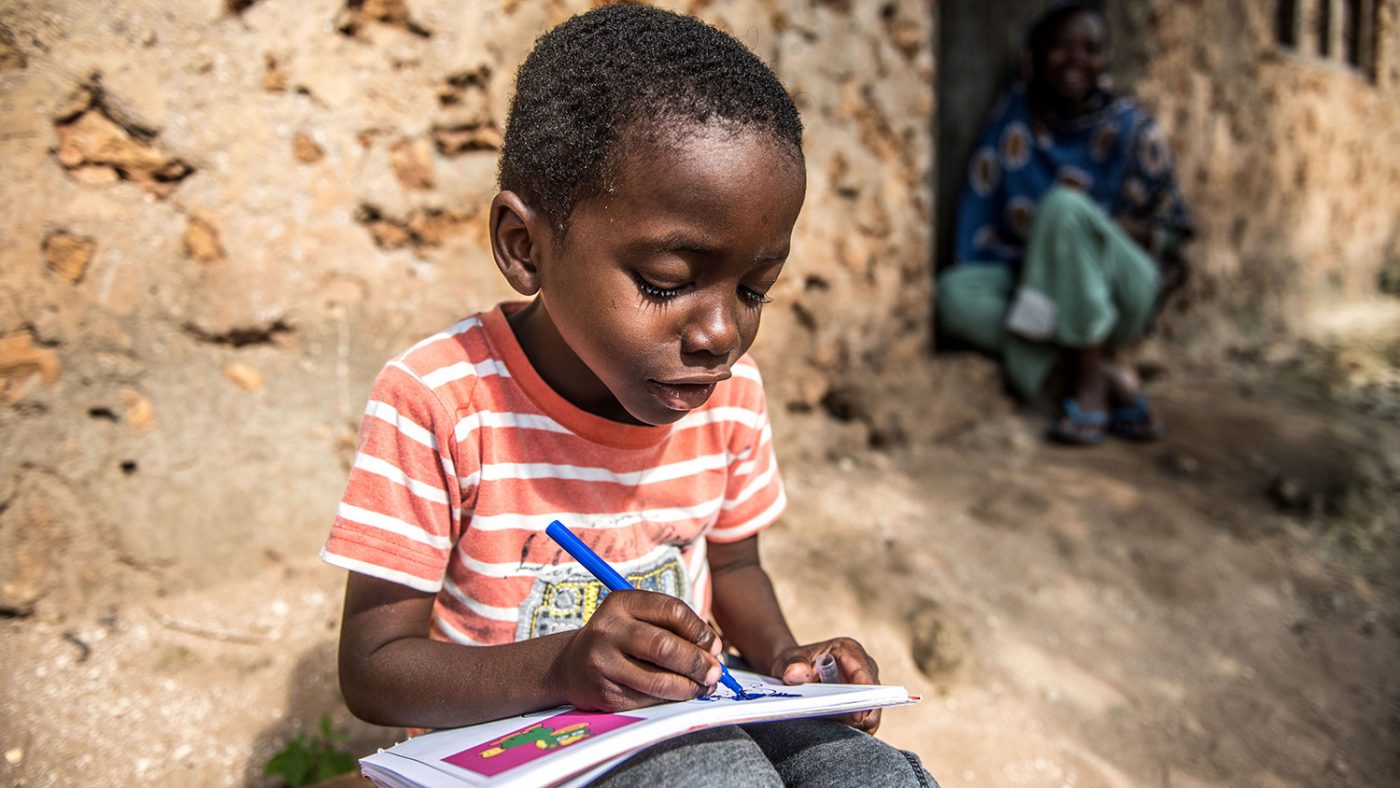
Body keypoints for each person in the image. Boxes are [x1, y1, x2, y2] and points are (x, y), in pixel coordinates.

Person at [321, 6, 936, 786]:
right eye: (666, 282)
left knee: (867, 774)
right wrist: (564, 668)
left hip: (687, 704)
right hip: (512, 741)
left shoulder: (730, 396)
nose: (719, 332)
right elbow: (373, 669)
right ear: (525, 247)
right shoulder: (440, 399)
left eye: (755, 289)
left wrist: (788, 661)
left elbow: (736, 568)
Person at [937, 2, 1194, 445]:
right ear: (1035, 57)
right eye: (1061, 47)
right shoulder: (1014, 123)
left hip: (1121, 294)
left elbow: (1172, 232)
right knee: (952, 296)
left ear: (1104, 60)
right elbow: (983, 222)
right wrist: (1049, 260)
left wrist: (1099, 231)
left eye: (1090, 49)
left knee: (1062, 207)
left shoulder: (1133, 128)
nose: (1076, 59)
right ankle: (1097, 375)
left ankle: (1088, 389)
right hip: (1039, 290)